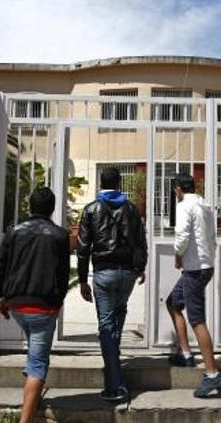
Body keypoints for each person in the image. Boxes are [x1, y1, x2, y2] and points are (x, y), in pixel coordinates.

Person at [0, 187, 70, 423]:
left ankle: (32, 394)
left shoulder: (14, 232)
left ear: (30, 207)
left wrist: (0, 297)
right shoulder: (60, 235)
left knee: (34, 353)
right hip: (43, 309)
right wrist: (58, 302)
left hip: (18, 307)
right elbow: (63, 275)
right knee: (38, 364)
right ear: (53, 209)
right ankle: (26, 419)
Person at [76, 166, 148, 403]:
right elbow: (141, 240)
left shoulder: (90, 209)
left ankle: (115, 384)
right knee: (117, 319)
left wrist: (83, 279)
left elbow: (83, 247)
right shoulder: (131, 209)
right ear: (119, 184)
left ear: (101, 182)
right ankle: (113, 369)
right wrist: (140, 268)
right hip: (127, 273)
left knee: (107, 325)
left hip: (103, 273)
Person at [166, 174, 221, 398]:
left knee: (197, 320)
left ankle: (212, 375)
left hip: (194, 268)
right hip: (204, 265)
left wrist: (178, 255)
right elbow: (212, 236)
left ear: (179, 189)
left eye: (175, 191)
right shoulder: (205, 205)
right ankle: (185, 353)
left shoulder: (184, 206)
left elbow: (181, 236)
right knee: (173, 302)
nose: (175, 195)